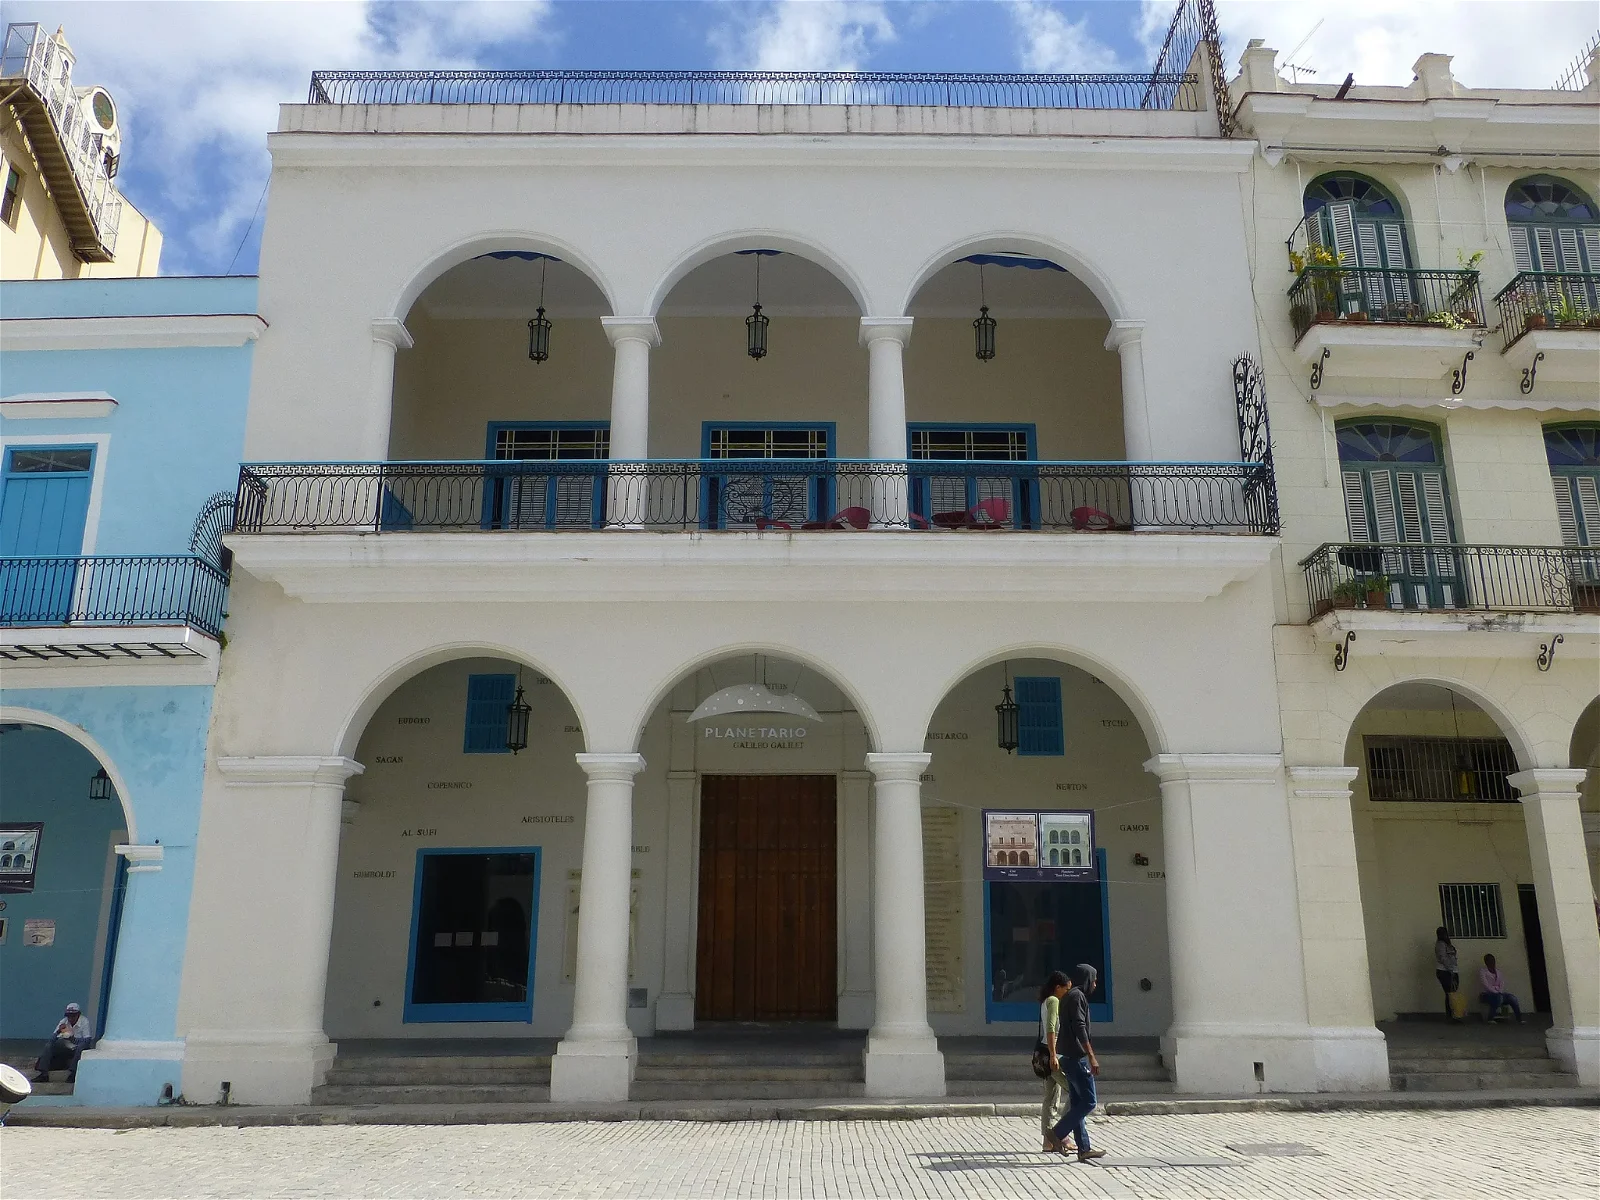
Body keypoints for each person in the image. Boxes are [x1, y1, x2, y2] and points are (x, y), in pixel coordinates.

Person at [1049, 964, 1107, 1163]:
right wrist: (1091, 1055)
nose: (1096, 984)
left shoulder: (1069, 997)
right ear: (1087, 979)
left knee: (1077, 1103)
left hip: (1069, 1058)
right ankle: (1057, 1132)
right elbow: (1079, 1027)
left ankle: (1084, 1148)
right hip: (1077, 1058)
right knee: (1089, 1102)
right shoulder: (1077, 997)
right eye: (1094, 979)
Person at [1037, 971, 1074, 1154]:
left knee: (1051, 1098)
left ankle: (1048, 1140)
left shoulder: (1046, 1001)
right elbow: (1051, 1028)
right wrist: (1053, 1055)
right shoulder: (1053, 1001)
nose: (1068, 992)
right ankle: (1061, 1133)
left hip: (1047, 1052)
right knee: (1076, 1092)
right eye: (1066, 989)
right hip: (1053, 1054)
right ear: (1057, 988)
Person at [34, 1002, 92, 1084]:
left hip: (77, 1048)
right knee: (49, 1046)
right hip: (66, 1047)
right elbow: (51, 1040)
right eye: (69, 1016)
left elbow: (87, 1040)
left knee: (81, 1047)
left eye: (73, 1016)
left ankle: (73, 1073)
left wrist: (74, 1039)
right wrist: (58, 1031)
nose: (70, 1018)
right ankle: (44, 1074)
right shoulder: (64, 1022)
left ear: (78, 1014)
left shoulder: (84, 1021)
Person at [1477, 954, 1523, 1023]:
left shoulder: (1498, 972)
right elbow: (1486, 985)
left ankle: (1519, 1019)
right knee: (1498, 998)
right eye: (1490, 961)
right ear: (1486, 962)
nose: (1492, 962)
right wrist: (1495, 992)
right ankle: (1490, 1018)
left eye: (1493, 960)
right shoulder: (1483, 972)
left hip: (1499, 993)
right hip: (1486, 994)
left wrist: (1500, 991)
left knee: (1512, 998)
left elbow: (1502, 983)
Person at [1434, 926, 1461, 1022]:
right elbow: (1443, 958)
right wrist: (1450, 969)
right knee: (1450, 993)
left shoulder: (1448, 944)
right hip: (1445, 971)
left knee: (1452, 993)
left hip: (1452, 970)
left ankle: (1455, 1014)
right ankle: (1452, 1015)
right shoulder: (1440, 944)